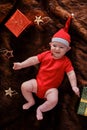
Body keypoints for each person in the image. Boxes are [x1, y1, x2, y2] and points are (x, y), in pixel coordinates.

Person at [13, 15, 80, 120]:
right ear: (50, 45)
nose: (57, 49)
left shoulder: (66, 62)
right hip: (38, 84)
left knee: (53, 99)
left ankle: (40, 109)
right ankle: (31, 101)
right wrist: (21, 65)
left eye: (61, 47)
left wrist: (74, 86)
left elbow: (71, 74)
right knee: (24, 86)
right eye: (54, 46)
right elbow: (33, 59)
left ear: (67, 49)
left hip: (50, 89)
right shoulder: (46, 54)